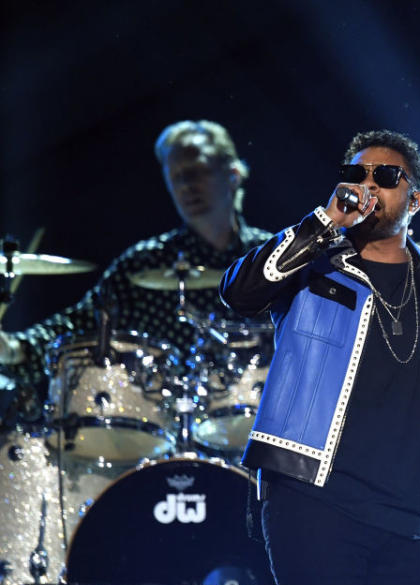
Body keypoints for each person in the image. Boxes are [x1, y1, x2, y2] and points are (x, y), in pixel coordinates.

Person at [219, 129, 420, 585]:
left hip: (406, 511)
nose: (367, 185)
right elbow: (240, 292)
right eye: (356, 174)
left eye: (385, 176)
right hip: (310, 494)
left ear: (415, 198)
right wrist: (325, 222)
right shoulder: (313, 259)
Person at [0, 120, 273, 401]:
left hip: (267, 422)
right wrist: (15, 349)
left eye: (196, 171)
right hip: (176, 430)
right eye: (176, 176)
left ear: (233, 174)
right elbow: (80, 325)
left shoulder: (271, 256)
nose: (186, 185)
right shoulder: (145, 263)